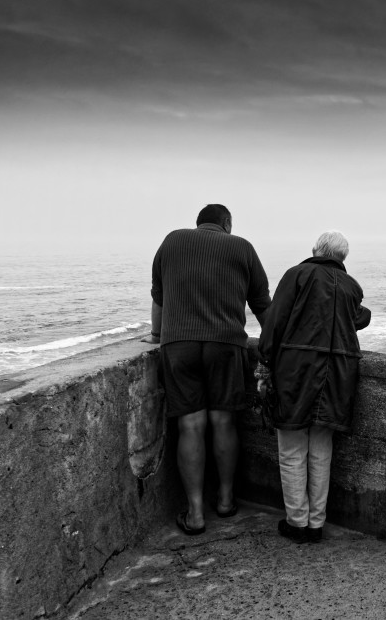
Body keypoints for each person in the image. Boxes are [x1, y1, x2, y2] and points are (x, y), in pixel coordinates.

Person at [146, 204, 271, 536]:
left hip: (179, 345)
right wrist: (277, 341)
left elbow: (159, 297)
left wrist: (158, 336)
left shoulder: (171, 241)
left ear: (199, 223)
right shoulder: (241, 246)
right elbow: (262, 304)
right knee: (223, 421)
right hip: (225, 344)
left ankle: (196, 513)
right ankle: (227, 501)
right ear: (227, 224)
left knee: (190, 424)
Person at [258, 230, 370, 544]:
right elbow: (358, 318)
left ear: (316, 250)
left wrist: (265, 359)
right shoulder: (350, 286)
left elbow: (275, 320)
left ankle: (297, 522)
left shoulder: (297, 275)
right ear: (342, 258)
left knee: (292, 447)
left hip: (297, 370)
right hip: (338, 373)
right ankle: (316, 523)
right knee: (321, 450)